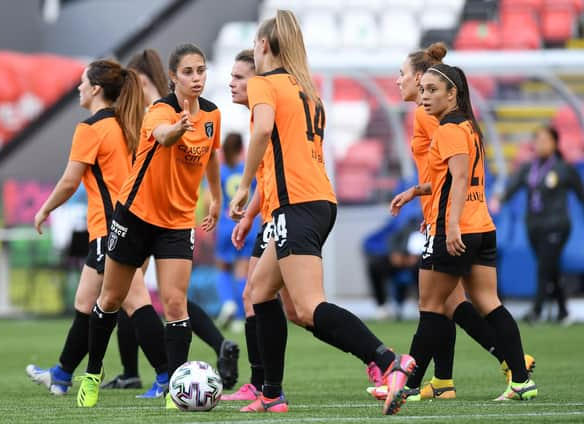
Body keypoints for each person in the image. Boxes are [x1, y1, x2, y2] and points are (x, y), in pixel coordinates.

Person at [229, 10, 415, 416]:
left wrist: (242, 188)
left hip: (296, 204)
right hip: (309, 201)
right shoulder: (307, 90)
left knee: (310, 304)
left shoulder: (265, 83)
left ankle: (388, 362)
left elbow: (261, 131)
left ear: (262, 46)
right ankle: (272, 393)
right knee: (260, 292)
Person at [383, 43, 535, 401]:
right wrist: (417, 190)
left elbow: (459, 178)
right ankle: (519, 379)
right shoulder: (468, 126)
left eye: (431, 90)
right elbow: (451, 176)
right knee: (488, 302)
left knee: (432, 308)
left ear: (453, 93)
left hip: (455, 228)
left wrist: (449, 226)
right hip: (482, 224)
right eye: (422, 90)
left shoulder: (448, 129)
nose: (424, 97)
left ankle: (406, 385)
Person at [75, 43, 222, 408]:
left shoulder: (213, 115)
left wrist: (216, 196)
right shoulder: (159, 111)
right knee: (110, 299)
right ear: (172, 77)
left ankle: (175, 389)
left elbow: (210, 154)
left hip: (176, 222)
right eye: (188, 72)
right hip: (136, 216)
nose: (196, 78)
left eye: (201, 70)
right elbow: (163, 137)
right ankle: (92, 374)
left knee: (175, 304)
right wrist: (178, 127)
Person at [26, 59, 161, 396]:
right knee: (86, 303)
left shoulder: (91, 128)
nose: (78, 87)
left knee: (134, 300)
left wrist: (44, 209)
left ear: (96, 89)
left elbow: (70, 181)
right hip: (130, 224)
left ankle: (168, 376)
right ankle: (61, 374)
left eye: (83, 82)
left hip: (112, 229)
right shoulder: (128, 122)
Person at [220, 49, 302, 402]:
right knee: (254, 296)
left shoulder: (266, 120)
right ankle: (261, 385)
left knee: (302, 310)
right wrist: (251, 214)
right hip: (269, 216)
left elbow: (270, 178)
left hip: (286, 215)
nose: (231, 83)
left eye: (240, 77)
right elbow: (266, 181)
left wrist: (251, 206)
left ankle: (378, 357)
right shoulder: (257, 121)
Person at [490, 126, 584, 325]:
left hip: (557, 226)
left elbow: (580, 193)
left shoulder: (563, 169)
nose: (540, 144)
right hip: (534, 226)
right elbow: (513, 186)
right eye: (538, 140)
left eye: (544, 140)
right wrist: (500, 199)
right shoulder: (529, 169)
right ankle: (563, 311)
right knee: (551, 267)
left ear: (554, 143)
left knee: (543, 267)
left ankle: (537, 310)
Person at [214, 131, 258, 329]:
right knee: (242, 272)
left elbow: (209, 199)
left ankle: (228, 304)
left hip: (225, 224)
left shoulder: (220, 171)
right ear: (242, 148)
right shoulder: (249, 171)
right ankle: (241, 316)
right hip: (247, 224)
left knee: (223, 267)